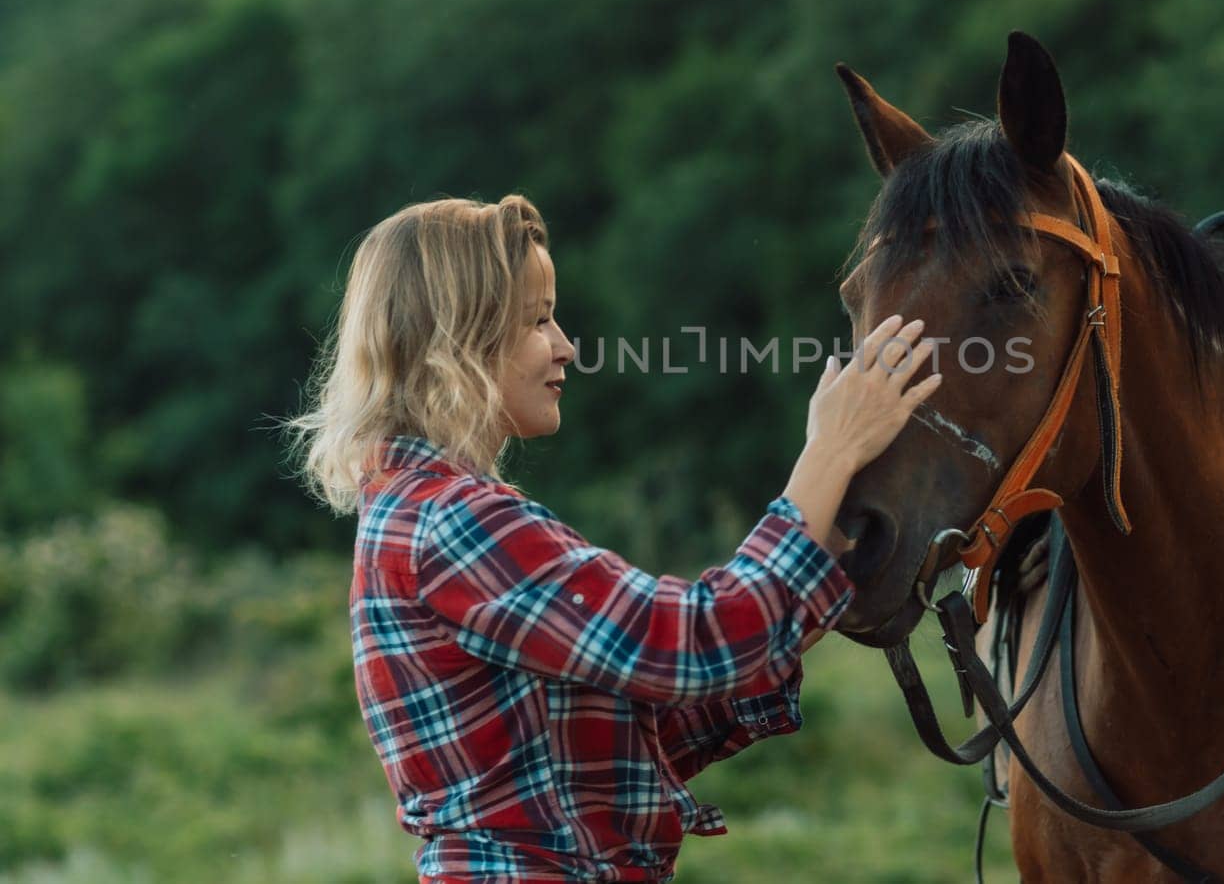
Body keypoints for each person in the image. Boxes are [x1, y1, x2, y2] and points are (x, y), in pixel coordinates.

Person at [285, 194, 940, 883]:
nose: (566, 344)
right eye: (538, 320)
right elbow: (693, 642)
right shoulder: (454, 523)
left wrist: (825, 548)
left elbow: (629, 737)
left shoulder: (424, 512)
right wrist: (830, 450)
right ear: (459, 338)